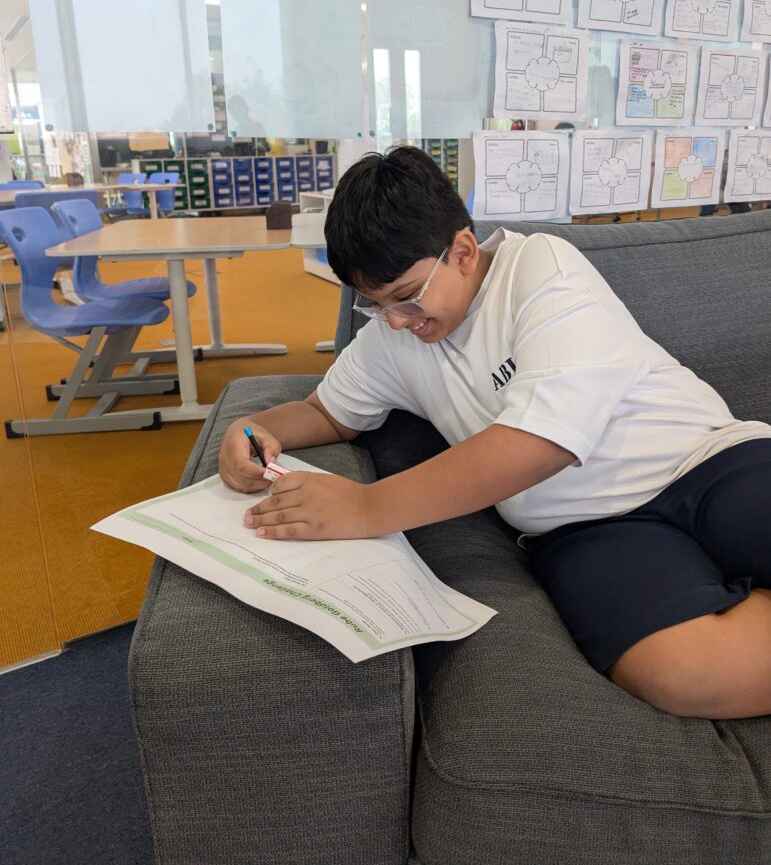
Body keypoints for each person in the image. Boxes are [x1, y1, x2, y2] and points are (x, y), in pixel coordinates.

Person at [218, 145, 771, 720]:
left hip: (704, 458)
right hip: (583, 528)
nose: (397, 322)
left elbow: (541, 443)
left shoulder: (540, 267)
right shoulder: (392, 337)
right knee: (686, 676)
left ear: (461, 251)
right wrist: (256, 427)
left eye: (406, 297)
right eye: (375, 306)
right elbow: (330, 413)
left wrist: (366, 508)